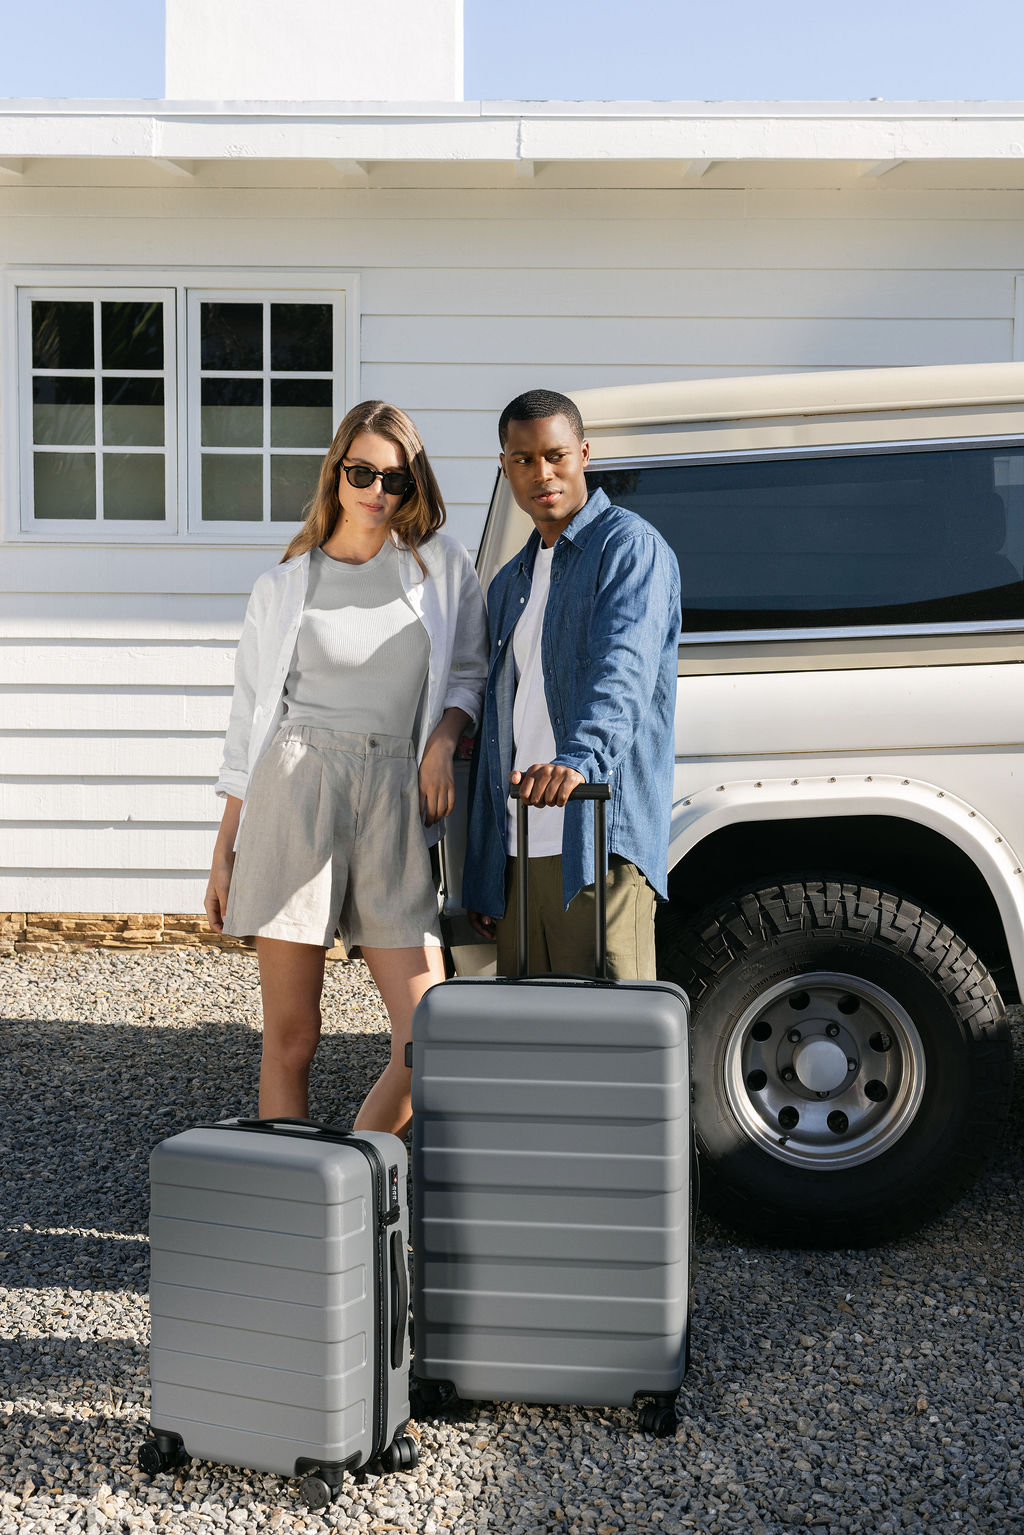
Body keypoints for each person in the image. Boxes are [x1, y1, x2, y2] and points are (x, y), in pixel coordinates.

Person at [205, 400, 488, 1135]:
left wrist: (440, 742)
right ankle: (293, 1206)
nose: (376, 491)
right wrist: (222, 851)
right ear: (336, 472)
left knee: (430, 1036)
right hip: (295, 788)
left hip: (395, 790)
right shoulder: (284, 585)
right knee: (292, 1036)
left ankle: (357, 1166)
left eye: (394, 479)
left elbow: (467, 674)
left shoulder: (440, 567)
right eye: (361, 472)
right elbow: (249, 724)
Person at [463, 388, 680, 980]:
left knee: (609, 1043)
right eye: (524, 459)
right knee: (532, 1046)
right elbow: (501, 725)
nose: (543, 473)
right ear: (505, 466)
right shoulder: (509, 581)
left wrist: (578, 761)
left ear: (584, 454)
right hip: (518, 850)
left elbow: (624, 674)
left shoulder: (628, 549)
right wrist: (486, 868)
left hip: (594, 837)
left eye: (556, 455)